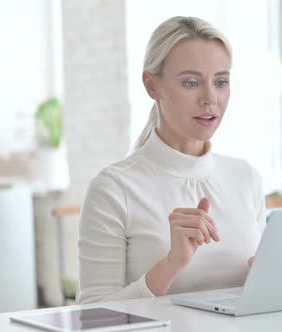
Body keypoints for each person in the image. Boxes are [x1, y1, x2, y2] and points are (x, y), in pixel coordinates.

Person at [76, 16, 266, 304]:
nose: (210, 98)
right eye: (191, 82)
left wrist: (270, 280)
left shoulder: (245, 178)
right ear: (151, 85)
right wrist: (172, 263)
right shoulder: (114, 188)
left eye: (221, 82)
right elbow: (93, 315)